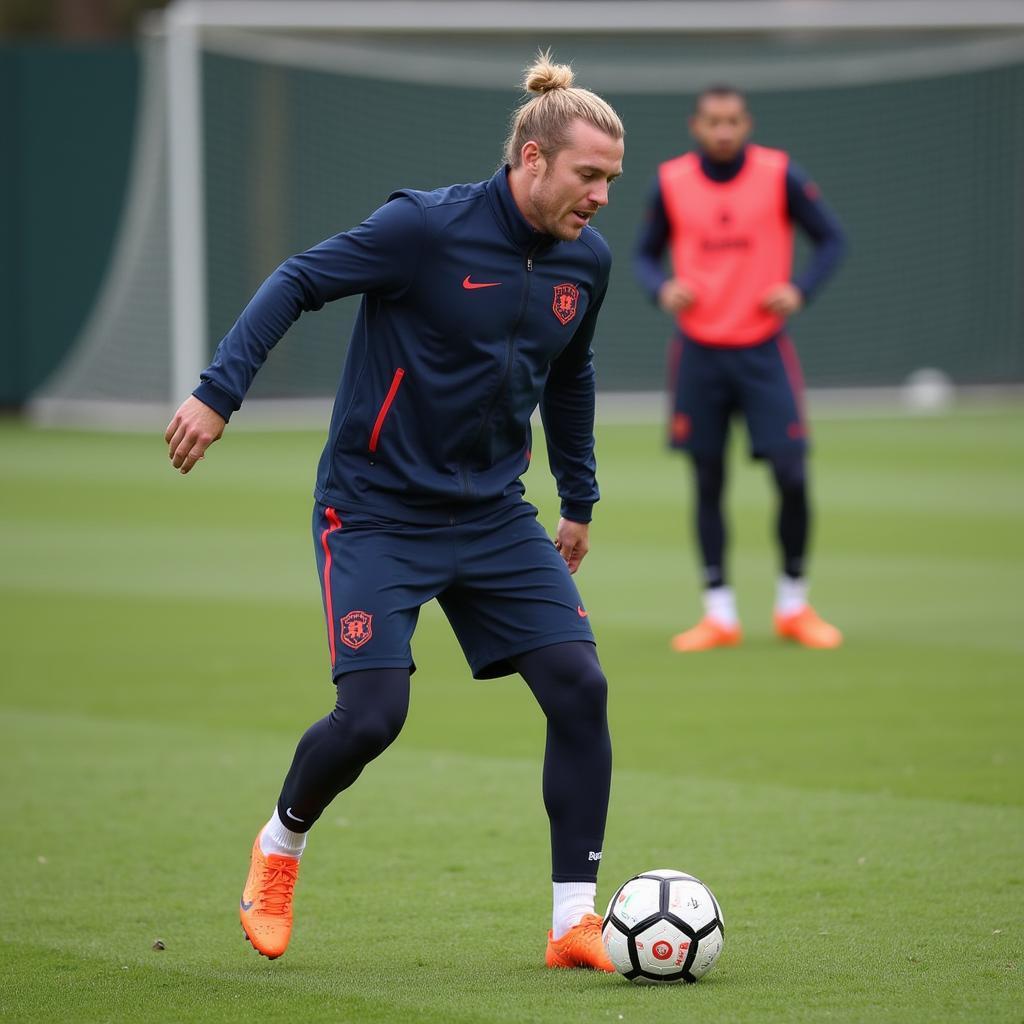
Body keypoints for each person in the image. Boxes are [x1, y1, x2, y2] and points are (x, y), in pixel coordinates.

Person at [164, 53, 624, 969]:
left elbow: (569, 374)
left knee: (581, 688)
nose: (602, 196)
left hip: (494, 515)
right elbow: (297, 279)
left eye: (612, 179)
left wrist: (578, 497)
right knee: (374, 716)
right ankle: (280, 844)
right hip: (373, 512)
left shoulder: (588, 262)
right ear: (532, 158)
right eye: (588, 176)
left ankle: (574, 921)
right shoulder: (423, 227)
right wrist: (219, 393)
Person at [634, 85, 847, 652]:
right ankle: (719, 613)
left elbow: (831, 239)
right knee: (707, 481)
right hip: (699, 350)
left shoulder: (780, 175)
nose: (723, 130)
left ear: (746, 123)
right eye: (713, 121)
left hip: (763, 349)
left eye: (732, 120)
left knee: (792, 475)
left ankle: (793, 605)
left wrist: (798, 289)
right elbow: (642, 255)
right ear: (695, 126)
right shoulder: (672, 181)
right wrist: (662, 288)